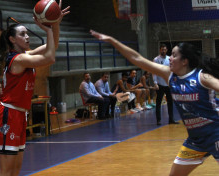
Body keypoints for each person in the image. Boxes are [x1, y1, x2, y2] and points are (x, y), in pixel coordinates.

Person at [90, 30, 219, 176]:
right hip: (195, 140)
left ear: (185, 61)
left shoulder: (202, 77)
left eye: (174, 55)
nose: (170, 58)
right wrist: (113, 41)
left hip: (216, 133)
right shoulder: (169, 75)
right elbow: (137, 58)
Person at [0, 1, 70, 175]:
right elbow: (50, 58)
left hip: (20, 114)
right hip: (8, 114)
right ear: (12, 39)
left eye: (27, 33)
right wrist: (48, 30)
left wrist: (55, 24)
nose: (27, 37)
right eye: (22, 34)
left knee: (16, 168)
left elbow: (53, 46)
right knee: (6, 170)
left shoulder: (25, 55)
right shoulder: (19, 60)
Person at [153, 44, 179, 125]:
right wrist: (155, 82)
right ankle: (158, 120)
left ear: (166, 50)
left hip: (168, 84)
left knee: (170, 102)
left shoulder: (169, 59)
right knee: (158, 102)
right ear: (160, 50)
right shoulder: (156, 59)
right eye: (162, 49)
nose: (163, 51)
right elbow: (154, 71)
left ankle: (171, 119)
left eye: (164, 49)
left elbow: (172, 70)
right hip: (160, 84)